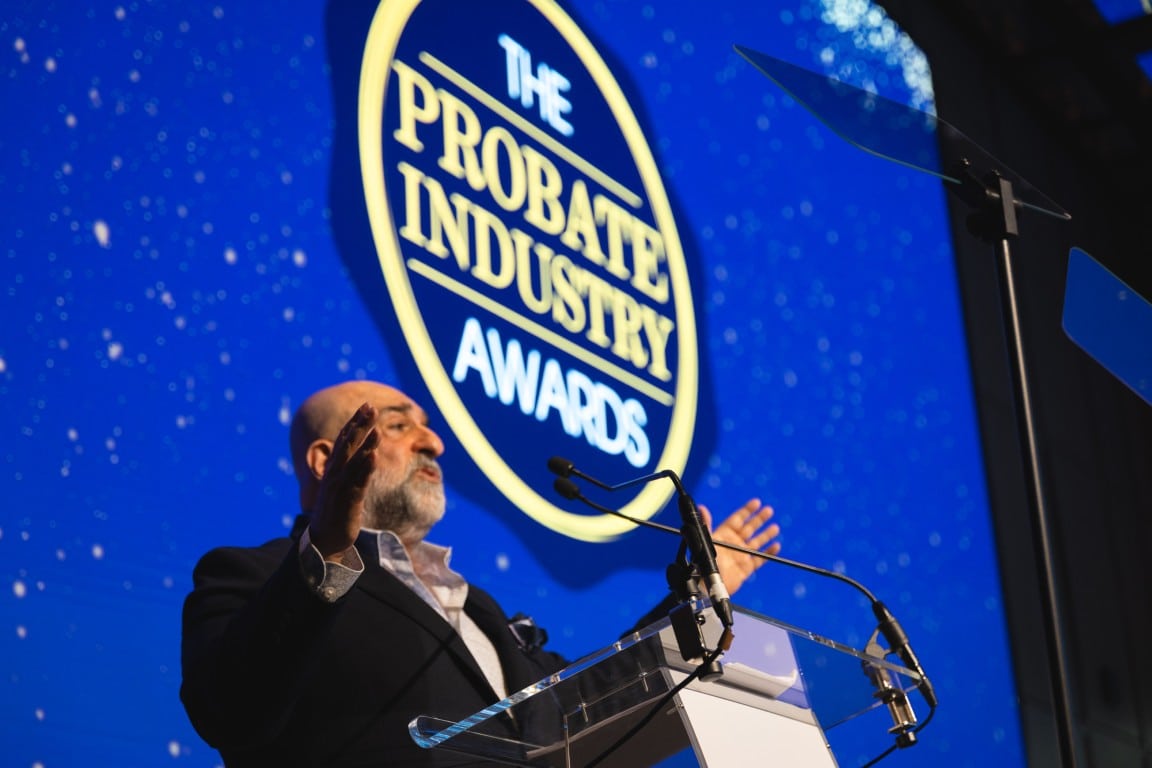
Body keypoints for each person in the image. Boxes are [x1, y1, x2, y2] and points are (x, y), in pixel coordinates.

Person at [180, 380, 781, 767]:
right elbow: (230, 710)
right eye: (399, 424)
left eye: (427, 425)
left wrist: (699, 602)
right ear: (324, 459)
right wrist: (328, 549)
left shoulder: (479, 609)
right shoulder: (251, 575)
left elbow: (580, 702)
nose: (434, 442)